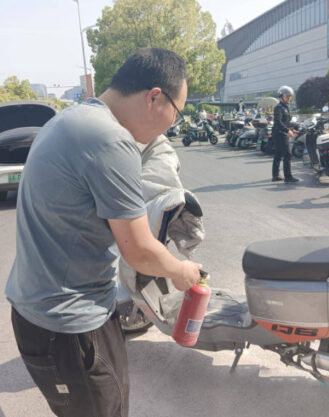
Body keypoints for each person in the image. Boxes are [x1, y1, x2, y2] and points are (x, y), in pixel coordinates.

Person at [5, 47, 202, 417]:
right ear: (154, 97)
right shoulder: (112, 142)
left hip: (39, 310)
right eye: (176, 113)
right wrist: (182, 271)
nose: (171, 126)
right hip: (68, 325)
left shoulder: (71, 119)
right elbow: (139, 251)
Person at [271, 86, 299, 183]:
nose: (288, 98)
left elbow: (286, 122)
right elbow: (278, 122)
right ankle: (288, 177)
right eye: (287, 96)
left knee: (278, 154)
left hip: (282, 132)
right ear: (281, 96)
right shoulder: (278, 108)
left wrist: (292, 129)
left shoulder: (285, 107)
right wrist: (288, 131)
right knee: (287, 155)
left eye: (289, 97)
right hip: (279, 133)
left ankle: (275, 175)